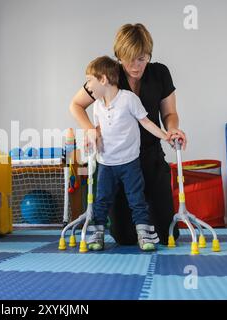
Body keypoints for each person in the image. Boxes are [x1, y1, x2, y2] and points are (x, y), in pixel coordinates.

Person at [69, 23, 186, 246]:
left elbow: (169, 113)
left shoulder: (160, 73)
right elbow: (76, 104)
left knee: (167, 235)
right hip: (116, 162)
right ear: (118, 56)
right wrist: (90, 130)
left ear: (149, 55)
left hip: (150, 158)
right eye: (129, 59)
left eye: (142, 59)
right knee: (125, 237)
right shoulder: (107, 75)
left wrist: (171, 130)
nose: (135, 65)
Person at [78, 55, 170, 251]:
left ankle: (144, 235)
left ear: (103, 79)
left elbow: (146, 122)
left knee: (136, 199)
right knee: (101, 199)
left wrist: (166, 136)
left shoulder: (128, 99)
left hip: (129, 162)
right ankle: (97, 235)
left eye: (89, 80)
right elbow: (98, 129)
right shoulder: (97, 105)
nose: (88, 86)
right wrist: (90, 138)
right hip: (106, 163)